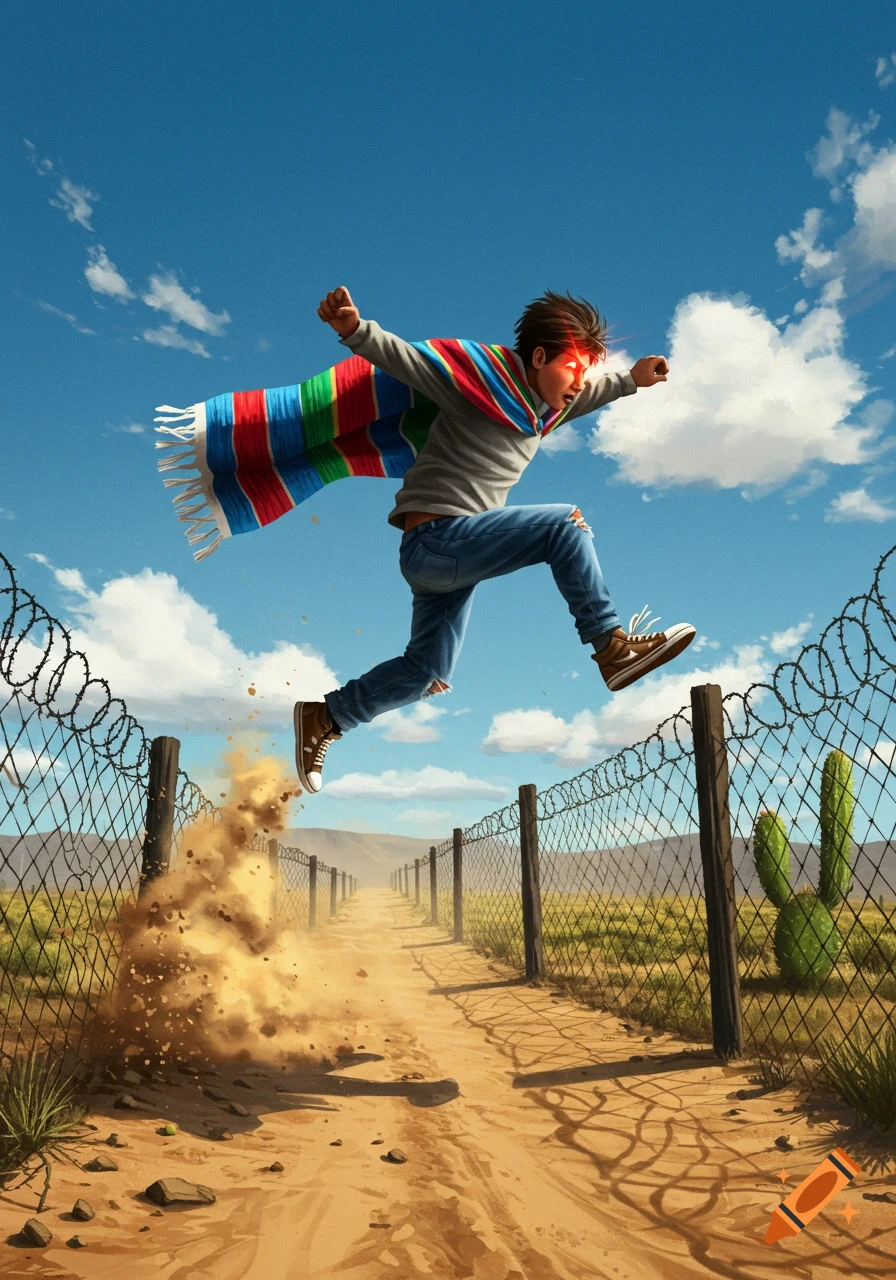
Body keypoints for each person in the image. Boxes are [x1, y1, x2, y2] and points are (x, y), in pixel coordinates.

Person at [294, 286, 695, 795]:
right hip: (436, 541)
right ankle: (610, 646)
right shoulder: (475, 385)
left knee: (428, 672)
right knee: (562, 524)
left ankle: (326, 716)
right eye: (572, 367)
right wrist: (356, 330)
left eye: (585, 372)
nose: (579, 383)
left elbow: (590, 392)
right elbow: (410, 362)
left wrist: (632, 380)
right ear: (539, 356)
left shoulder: (546, 408)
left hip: (457, 554)